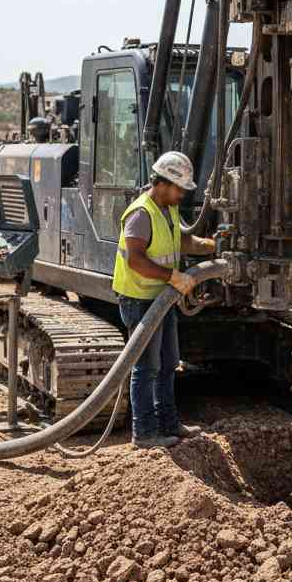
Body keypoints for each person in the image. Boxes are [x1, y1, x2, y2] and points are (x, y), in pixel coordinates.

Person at [112, 150, 215, 450]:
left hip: (161, 298)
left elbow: (181, 241)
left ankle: (169, 424)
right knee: (146, 366)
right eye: (180, 188)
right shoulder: (141, 213)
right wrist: (172, 277)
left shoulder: (167, 208)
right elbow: (135, 260)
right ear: (164, 183)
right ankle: (144, 433)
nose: (182, 194)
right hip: (139, 299)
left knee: (169, 362)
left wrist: (213, 246)